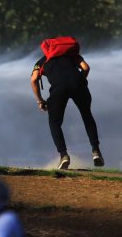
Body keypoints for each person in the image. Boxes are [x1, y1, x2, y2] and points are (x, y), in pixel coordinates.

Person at [30, 39, 103, 170]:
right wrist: (79, 82)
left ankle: (64, 156)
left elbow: (34, 79)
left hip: (59, 88)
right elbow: (86, 68)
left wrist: (40, 101)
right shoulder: (72, 55)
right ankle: (96, 151)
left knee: (54, 123)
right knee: (87, 116)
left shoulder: (42, 61)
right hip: (78, 84)